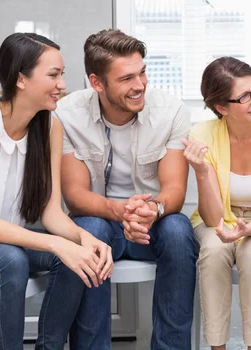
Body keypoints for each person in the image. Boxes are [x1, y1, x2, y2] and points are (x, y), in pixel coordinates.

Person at [0, 33, 112, 350]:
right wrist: (57, 244)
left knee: (74, 257)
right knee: (10, 260)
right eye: (53, 74)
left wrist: (83, 239)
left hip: (5, 241)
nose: (62, 84)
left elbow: (50, 213)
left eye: (61, 74)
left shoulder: (49, 126)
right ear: (21, 79)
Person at [54, 29, 197, 350]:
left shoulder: (170, 111)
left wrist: (151, 210)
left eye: (143, 72)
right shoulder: (66, 115)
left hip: (153, 225)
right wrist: (121, 211)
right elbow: (75, 196)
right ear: (97, 83)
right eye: (127, 78)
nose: (140, 85)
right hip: (101, 223)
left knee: (178, 229)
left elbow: (174, 187)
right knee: (88, 230)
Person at [183, 56, 251, 349]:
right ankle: (217, 346)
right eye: (244, 96)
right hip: (217, 219)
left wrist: (243, 232)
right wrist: (202, 170)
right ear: (221, 108)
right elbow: (212, 219)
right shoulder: (201, 135)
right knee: (213, 248)